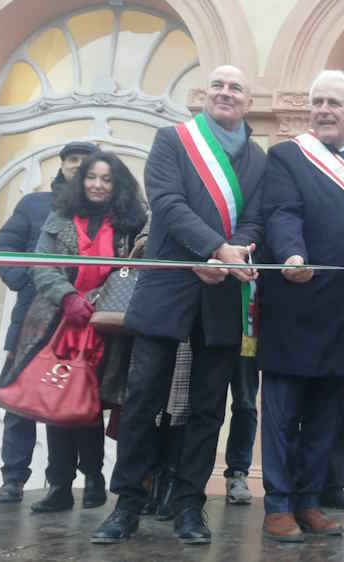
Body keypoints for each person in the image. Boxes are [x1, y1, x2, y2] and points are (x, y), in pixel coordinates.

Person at [91, 64, 264, 545]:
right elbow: (167, 204)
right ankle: (127, 503)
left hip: (222, 293)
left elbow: (256, 222)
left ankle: (190, 505)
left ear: (248, 102)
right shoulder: (172, 141)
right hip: (169, 289)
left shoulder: (257, 159)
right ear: (204, 96)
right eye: (218, 85)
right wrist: (215, 249)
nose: (226, 92)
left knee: (209, 409)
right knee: (143, 398)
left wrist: (232, 255)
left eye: (236, 87)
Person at [257, 70, 344, 542]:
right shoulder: (287, 157)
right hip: (293, 302)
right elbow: (282, 212)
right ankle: (278, 505)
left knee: (328, 415)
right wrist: (292, 253)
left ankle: (309, 501)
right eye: (317, 102)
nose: (324, 110)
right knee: (282, 414)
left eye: (334, 103)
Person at [0, 151, 147, 514]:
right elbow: (43, 265)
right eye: (91, 178)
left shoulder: (132, 223)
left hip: (108, 325)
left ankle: (93, 475)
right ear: (81, 182)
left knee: (90, 403)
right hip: (58, 323)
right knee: (58, 401)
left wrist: (97, 300)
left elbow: (136, 269)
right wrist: (67, 297)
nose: (97, 185)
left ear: (118, 184)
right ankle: (61, 485)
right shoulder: (60, 216)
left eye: (106, 179)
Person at [0, 141, 97, 503]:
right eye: (72, 160)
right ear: (63, 165)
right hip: (31, 318)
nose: (78, 167)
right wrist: (28, 282)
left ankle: (59, 483)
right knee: (19, 399)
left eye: (86, 162)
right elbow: (3, 249)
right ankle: (13, 478)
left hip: (76, 321)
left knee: (63, 399)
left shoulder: (103, 210)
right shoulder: (34, 204)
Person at [222, 357, 258, 505]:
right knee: (205, 406)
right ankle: (191, 481)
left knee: (246, 403)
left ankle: (238, 473)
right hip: (209, 337)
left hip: (247, 336)